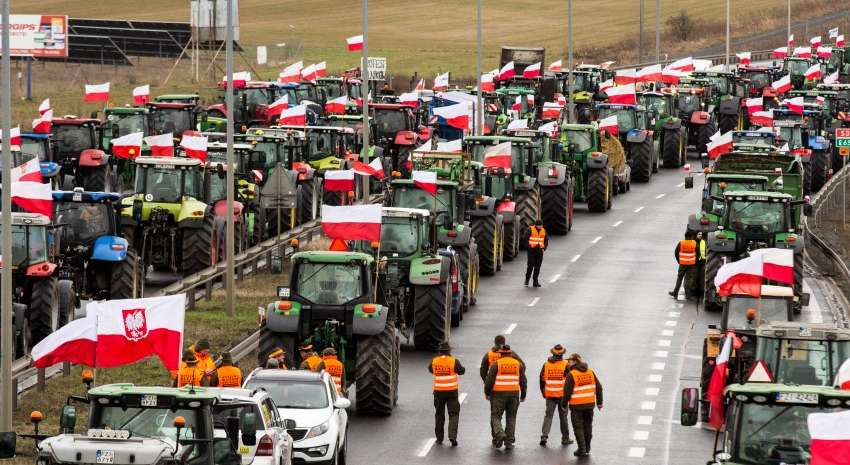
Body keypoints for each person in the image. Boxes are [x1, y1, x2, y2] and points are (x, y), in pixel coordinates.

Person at [484, 345, 527, 450]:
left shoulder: (496, 364)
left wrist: (487, 392)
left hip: (498, 394)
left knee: (496, 416)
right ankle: (509, 441)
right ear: (510, 353)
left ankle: (499, 433)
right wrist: (523, 394)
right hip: (514, 394)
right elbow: (523, 381)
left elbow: (489, 381)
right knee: (511, 417)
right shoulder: (518, 364)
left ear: (501, 353)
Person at [562, 353, 603, 457]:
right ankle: (587, 447)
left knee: (578, 428)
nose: (568, 362)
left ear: (575, 361)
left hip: (576, 406)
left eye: (570, 361)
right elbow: (599, 387)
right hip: (589, 405)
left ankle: (582, 449)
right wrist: (599, 402)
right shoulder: (590, 372)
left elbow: (567, 392)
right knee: (588, 426)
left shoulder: (572, 375)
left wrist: (563, 404)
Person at [428, 342, 465, 446]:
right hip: (451, 392)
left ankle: (439, 438)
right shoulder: (454, 361)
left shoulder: (434, 361)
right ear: (449, 351)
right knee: (453, 414)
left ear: (439, 351)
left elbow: (430, 369)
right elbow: (462, 371)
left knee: (439, 415)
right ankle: (452, 437)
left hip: (438, 392)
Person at [539, 344, 571, 447]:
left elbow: (542, 380)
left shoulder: (546, 365)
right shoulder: (566, 365)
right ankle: (565, 438)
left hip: (550, 394)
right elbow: (570, 380)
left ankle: (544, 436)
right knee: (563, 417)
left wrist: (543, 392)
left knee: (548, 416)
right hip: (563, 396)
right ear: (562, 354)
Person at [669, 231, 697, 299]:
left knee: (679, 278)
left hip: (682, 264)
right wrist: (694, 261)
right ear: (691, 237)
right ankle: (688, 295)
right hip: (691, 264)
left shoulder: (681, 243)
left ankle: (675, 293)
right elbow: (698, 253)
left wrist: (679, 261)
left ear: (685, 236)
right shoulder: (694, 243)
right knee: (689, 279)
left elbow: (676, 252)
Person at [525, 219, 548, 287]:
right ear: (536, 225)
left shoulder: (544, 231)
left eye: (541, 225)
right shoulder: (530, 229)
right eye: (539, 225)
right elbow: (525, 239)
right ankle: (527, 280)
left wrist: (544, 248)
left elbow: (546, 240)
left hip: (540, 251)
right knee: (530, 266)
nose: (540, 227)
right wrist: (528, 247)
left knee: (537, 267)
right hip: (531, 251)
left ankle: (535, 281)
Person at [692, 231, 707, 298]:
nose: (700, 235)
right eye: (699, 234)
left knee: (702, 278)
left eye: (701, 234)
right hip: (695, 263)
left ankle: (701, 292)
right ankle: (694, 292)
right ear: (696, 235)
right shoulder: (693, 242)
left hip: (702, 262)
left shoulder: (704, 242)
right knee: (694, 278)